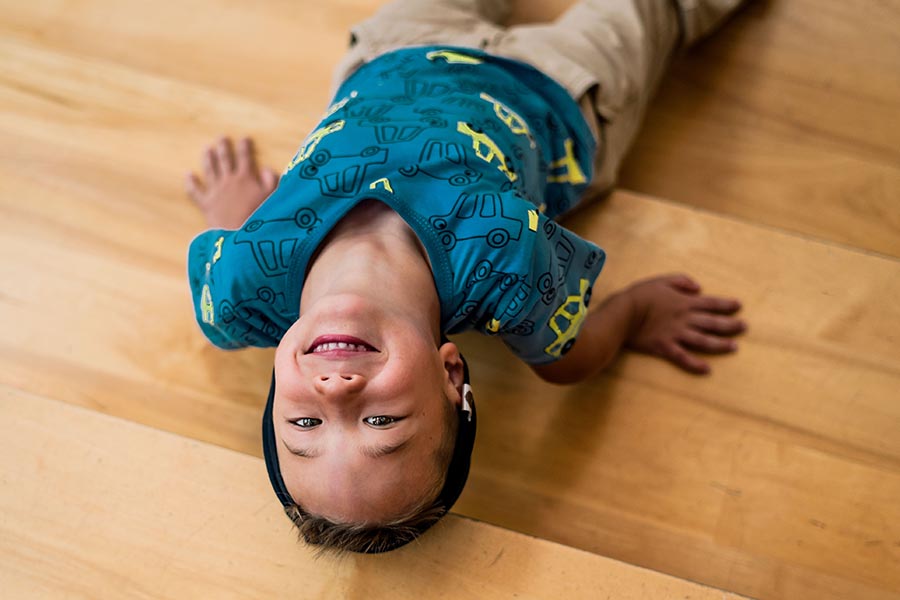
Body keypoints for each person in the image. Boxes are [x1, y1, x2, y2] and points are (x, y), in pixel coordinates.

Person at [186, 0, 747, 553]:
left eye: (305, 424)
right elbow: (568, 365)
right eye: (381, 419)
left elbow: (230, 247)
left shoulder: (236, 290)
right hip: (558, 92)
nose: (336, 392)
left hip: (397, 48)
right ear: (451, 374)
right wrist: (635, 312)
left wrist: (235, 215)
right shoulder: (508, 279)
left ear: (279, 386)